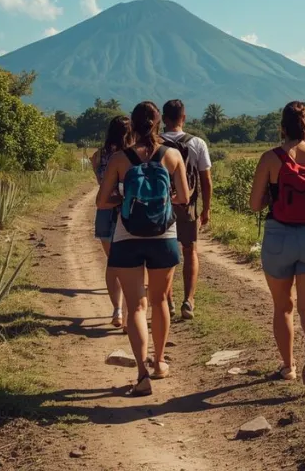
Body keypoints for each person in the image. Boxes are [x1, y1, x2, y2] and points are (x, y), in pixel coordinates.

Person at [97, 101, 191, 396]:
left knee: (136, 305)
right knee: (160, 301)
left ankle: (141, 374)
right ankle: (160, 363)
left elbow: (102, 201)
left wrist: (124, 200)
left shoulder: (119, 159)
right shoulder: (173, 155)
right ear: (158, 123)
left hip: (127, 237)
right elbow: (183, 199)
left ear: (133, 126)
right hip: (164, 236)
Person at [249, 101, 305, 387]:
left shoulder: (270, 159)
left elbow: (254, 205)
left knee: (282, 307)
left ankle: (288, 367)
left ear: (282, 127)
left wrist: (272, 198)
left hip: (278, 237)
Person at [160, 99, 213, 321]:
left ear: (163, 119)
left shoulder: (154, 143)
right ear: (184, 118)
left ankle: (169, 301)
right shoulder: (197, 143)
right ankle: (188, 300)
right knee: (190, 250)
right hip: (188, 206)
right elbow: (206, 180)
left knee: (163, 254)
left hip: (160, 207)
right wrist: (206, 209)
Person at [89, 116, 131, 328]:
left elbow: (98, 178)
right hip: (128, 211)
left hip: (104, 210)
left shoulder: (100, 154)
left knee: (113, 262)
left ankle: (117, 309)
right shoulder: (131, 154)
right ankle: (129, 312)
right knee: (131, 264)